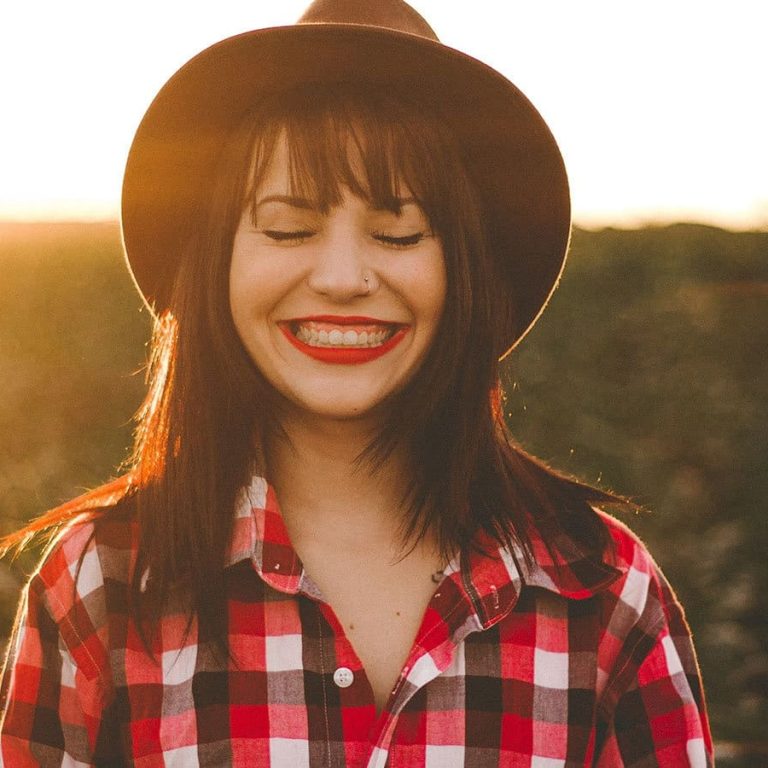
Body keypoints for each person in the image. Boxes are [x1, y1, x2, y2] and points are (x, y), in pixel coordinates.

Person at [0, 1, 712, 765]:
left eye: (399, 232)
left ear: (464, 268)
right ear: (218, 263)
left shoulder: (602, 592)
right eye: (287, 227)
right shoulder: (102, 587)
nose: (343, 278)